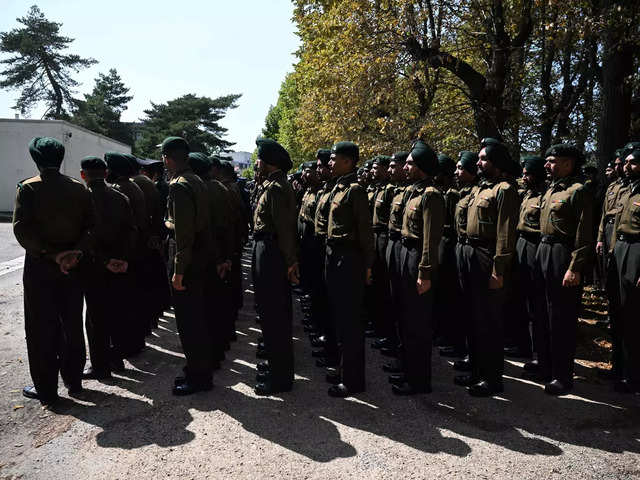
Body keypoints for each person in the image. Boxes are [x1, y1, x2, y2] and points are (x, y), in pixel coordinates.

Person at [14, 137, 94, 405]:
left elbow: (21, 229)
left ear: (36, 159)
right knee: (72, 322)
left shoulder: (29, 189)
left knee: (41, 328)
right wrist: (74, 253)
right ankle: (74, 382)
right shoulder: (79, 189)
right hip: (74, 266)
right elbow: (90, 228)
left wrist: (51, 254)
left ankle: (47, 390)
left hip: (40, 267)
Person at [455, 138, 519, 397]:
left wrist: (498, 269)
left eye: (484, 159)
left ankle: (492, 379)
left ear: (497, 163)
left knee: (489, 321)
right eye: (479, 159)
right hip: (469, 253)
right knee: (472, 317)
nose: (478, 163)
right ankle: (476, 370)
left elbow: (505, 233)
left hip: (487, 255)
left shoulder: (504, 190)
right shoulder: (480, 188)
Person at [536, 144, 593, 395]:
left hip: (563, 255)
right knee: (543, 314)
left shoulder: (578, 191)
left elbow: (584, 234)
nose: (547, 165)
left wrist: (575, 267)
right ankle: (546, 367)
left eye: (552, 161)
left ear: (568, 164)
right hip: (544, 251)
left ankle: (563, 376)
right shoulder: (551, 189)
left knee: (562, 318)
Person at [162, 136, 215, 396]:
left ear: (168, 158)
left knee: (189, 322)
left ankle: (199, 377)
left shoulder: (180, 186)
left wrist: (178, 271)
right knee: (196, 319)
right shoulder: (196, 181)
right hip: (199, 257)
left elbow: (184, 234)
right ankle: (197, 369)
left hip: (187, 260)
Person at [390, 140, 444, 395]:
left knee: (417, 322)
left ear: (421, 167)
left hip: (416, 259)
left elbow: (430, 240)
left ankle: (419, 380)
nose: (406, 167)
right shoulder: (413, 191)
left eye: (410, 163)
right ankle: (406, 368)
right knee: (404, 317)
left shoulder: (431, 195)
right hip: (404, 254)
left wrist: (425, 273)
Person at [78, 156, 135, 380]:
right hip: (119, 265)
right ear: (105, 173)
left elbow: (85, 236)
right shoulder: (120, 197)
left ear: (84, 175)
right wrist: (122, 259)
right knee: (116, 312)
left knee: (94, 318)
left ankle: (100, 366)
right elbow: (131, 231)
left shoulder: (83, 198)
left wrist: (103, 261)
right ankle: (116, 359)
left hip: (94, 266)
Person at [325, 141, 374, 397]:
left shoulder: (355, 190)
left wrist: (367, 265)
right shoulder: (339, 187)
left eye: (335, 159)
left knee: (351, 322)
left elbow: (365, 232)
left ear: (348, 161)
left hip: (349, 259)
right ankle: (344, 369)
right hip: (335, 256)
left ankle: (353, 381)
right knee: (340, 320)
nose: (330, 163)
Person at [252, 138, 299, 395]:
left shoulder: (278, 188)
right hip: (266, 250)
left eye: (259, 159)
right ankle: (274, 367)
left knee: (276, 317)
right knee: (269, 315)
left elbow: (284, 230)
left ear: (268, 162)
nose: (256, 164)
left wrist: (291, 262)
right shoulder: (271, 185)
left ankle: (281, 379)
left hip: (273, 253)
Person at [188, 152, 232, 368]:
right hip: (217, 254)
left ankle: (206, 361)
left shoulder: (200, 190)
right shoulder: (220, 188)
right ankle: (216, 353)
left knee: (201, 313)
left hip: (204, 256)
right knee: (214, 307)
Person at [105, 152, 148, 357]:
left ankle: (123, 347)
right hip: (136, 250)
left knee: (121, 304)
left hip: (126, 253)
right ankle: (134, 342)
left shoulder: (121, 190)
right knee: (133, 301)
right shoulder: (134, 186)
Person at [514, 155, 547, 377]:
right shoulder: (525, 194)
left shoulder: (545, 195)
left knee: (538, 306)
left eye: (528, 174)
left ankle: (541, 355)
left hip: (537, 247)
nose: (524, 177)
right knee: (521, 301)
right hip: (521, 245)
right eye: (523, 173)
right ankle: (523, 345)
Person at [612, 148, 640, 393]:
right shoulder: (628, 190)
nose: (625, 166)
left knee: (634, 314)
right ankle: (621, 369)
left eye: (632, 163)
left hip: (636, 251)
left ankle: (634, 376)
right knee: (622, 312)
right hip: (621, 248)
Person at [381, 151, 410, 374]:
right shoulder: (403, 192)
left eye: (395, 166)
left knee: (411, 314)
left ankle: (413, 370)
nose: (392, 170)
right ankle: (400, 355)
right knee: (395, 304)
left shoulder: (428, 194)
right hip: (395, 245)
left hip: (410, 250)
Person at [433, 153, 463, 357]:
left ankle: (450, 336)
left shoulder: (451, 193)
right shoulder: (441, 191)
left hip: (448, 243)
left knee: (449, 294)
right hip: (441, 242)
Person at [451, 151, 479, 374]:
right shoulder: (467, 192)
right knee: (466, 307)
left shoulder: (497, 191)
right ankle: (472, 357)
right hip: (463, 247)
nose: (457, 172)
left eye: (461, 168)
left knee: (481, 313)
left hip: (480, 252)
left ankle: (484, 369)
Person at [313, 149, 340, 371]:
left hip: (345, 257)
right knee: (327, 302)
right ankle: (331, 350)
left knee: (342, 312)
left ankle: (344, 367)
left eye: (330, 161)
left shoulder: (352, 191)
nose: (325, 166)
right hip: (327, 250)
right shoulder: (331, 189)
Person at [370, 155, 395, 353]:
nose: (372, 171)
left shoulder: (390, 190)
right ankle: (380, 328)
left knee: (386, 289)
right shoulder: (379, 188)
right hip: (376, 237)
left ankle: (389, 334)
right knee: (377, 286)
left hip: (385, 238)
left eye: (377, 168)